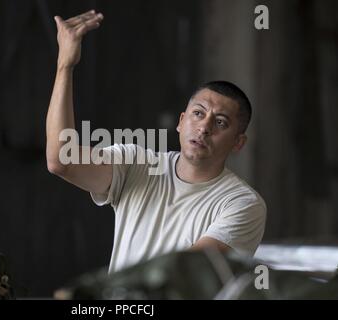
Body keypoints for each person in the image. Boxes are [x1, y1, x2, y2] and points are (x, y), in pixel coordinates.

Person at [46, 10, 266, 273]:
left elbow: (182, 270)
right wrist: (65, 66)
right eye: (198, 114)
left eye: (220, 122)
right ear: (181, 121)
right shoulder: (136, 164)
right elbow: (62, 161)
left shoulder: (241, 203)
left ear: (238, 143)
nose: (204, 127)